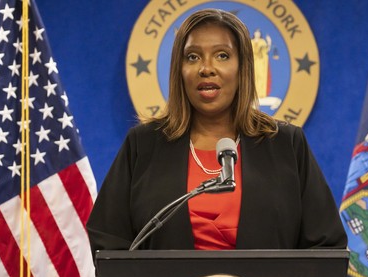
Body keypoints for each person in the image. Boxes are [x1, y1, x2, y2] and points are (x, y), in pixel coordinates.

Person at [87, 8, 346, 252]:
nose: (206, 68)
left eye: (222, 55)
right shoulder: (143, 145)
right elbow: (108, 244)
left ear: (243, 68)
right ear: (179, 70)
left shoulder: (285, 144)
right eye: (192, 56)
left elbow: (325, 246)